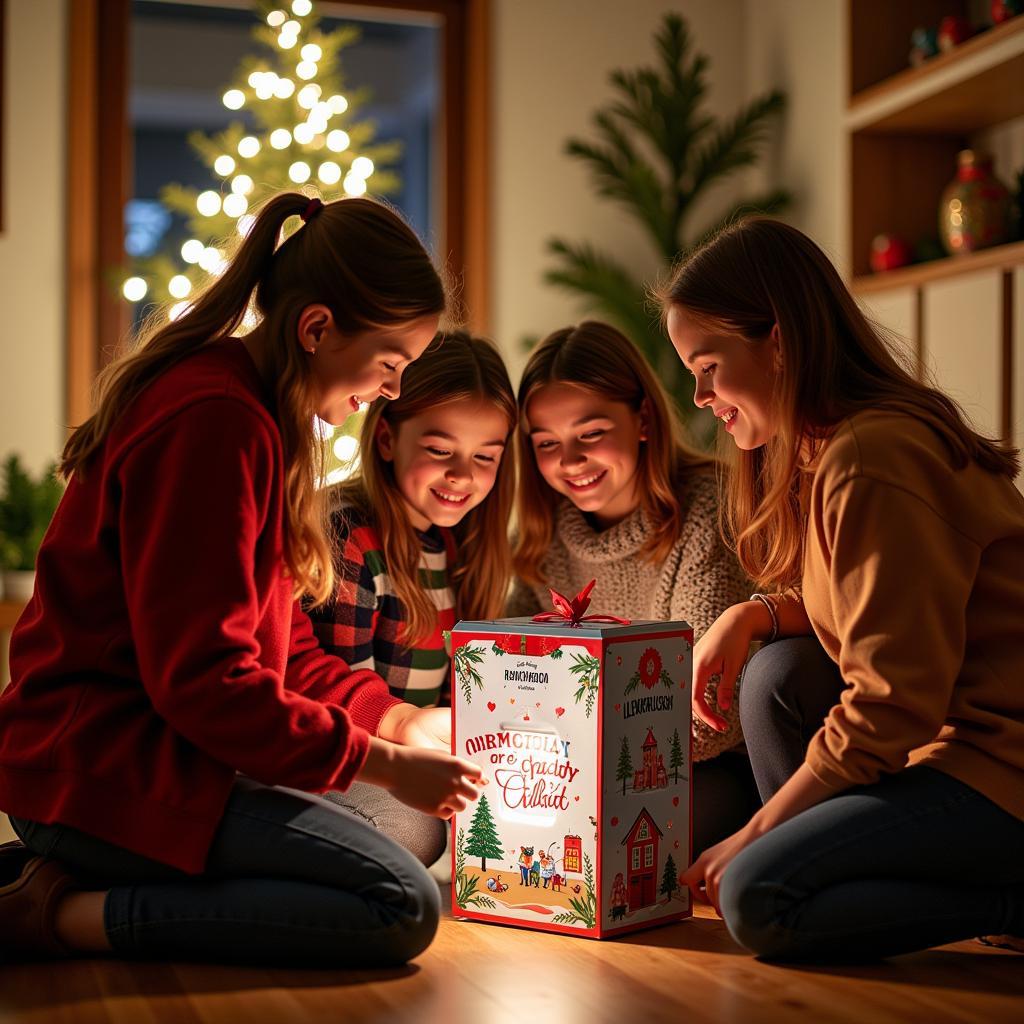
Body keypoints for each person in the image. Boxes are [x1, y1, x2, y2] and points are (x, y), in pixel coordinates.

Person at [0, 192, 485, 967]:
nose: (391, 390)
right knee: (396, 905)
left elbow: (284, 654)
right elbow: (204, 682)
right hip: (102, 773)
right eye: (391, 363)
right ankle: (48, 916)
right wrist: (384, 765)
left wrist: (396, 725)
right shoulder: (215, 423)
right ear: (318, 329)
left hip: (169, 763)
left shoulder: (261, 418)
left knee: (401, 833)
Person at [663, 217, 1024, 962]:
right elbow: (867, 604)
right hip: (946, 749)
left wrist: (758, 834)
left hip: (1002, 767)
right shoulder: (832, 447)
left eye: (707, 366)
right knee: (775, 674)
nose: (698, 395)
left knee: (757, 897)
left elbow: (891, 703)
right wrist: (752, 615)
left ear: (780, 341)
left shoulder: (872, 457)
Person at [507, 321, 758, 856]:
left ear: (642, 419)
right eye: (547, 443)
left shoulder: (707, 514)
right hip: (578, 767)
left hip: (710, 772)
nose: (570, 461)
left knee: (602, 841)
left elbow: (712, 716)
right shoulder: (541, 539)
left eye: (591, 432)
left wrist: (568, 754)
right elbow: (509, 683)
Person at [307, 331, 516, 865]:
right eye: (439, 450)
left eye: (485, 457)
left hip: (407, 759)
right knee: (413, 829)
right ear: (385, 440)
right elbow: (330, 697)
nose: (462, 475)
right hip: (345, 761)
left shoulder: (453, 546)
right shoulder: (348, 535)